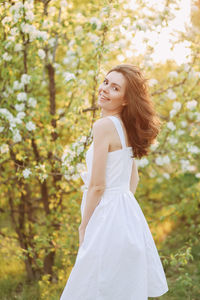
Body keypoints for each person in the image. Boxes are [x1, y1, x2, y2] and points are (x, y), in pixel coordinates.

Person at [60, 64, 169, 300]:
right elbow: (133, 179)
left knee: (90, 286)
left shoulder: (104, 126)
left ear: (126, 100)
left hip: (106, 216)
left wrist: (84, 226)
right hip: (127, 215)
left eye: (115, 87)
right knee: (118, 287)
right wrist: (121, 205)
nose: (105, 89)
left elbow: (97, 185)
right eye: (106, 82)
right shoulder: (125, 127)